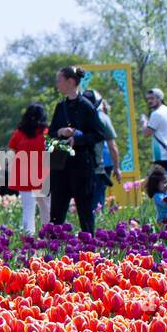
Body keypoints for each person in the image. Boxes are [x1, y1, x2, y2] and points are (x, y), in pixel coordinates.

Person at [48, 66, 108, 233]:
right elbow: (51, 132)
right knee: (57, 209)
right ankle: (53, 248)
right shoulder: (61, 107)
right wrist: (60, 132)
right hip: (61, 165)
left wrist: (78, 139)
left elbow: (98, 134)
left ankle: (89, 246)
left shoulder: (86, 106)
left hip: (82, 165)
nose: (57, 84)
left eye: (59, 80)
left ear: (71, 81)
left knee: (84, 209)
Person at [6, 103, 49, 235]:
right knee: (46, 208)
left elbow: (11, 152)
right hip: (43, 174)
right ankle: (47, 237)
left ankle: (29, 240)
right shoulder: (46, 133)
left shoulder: (19, 133)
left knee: (28, 209)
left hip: (23, 175)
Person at [84, 89, 119, 215]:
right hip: (104, 162)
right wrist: (117, 168)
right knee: (98, 194)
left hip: (83, 162)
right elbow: (112, 145)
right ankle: (98, 223)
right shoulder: (103, 118)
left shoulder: (79, 117)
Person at [140, 87, 167, 169]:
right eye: (148, 99)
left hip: (161, 155)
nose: (149, 101)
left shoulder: (156, 114)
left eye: (152, 98)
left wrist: (144, 122)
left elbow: (146, 133)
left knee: (161, 181)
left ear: (160, 98)